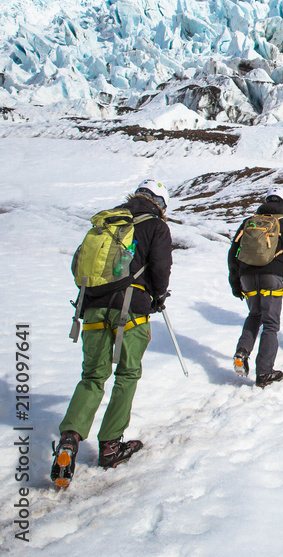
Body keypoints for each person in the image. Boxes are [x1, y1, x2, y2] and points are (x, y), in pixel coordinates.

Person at [51, 179, 173, 488]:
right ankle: (110, 446)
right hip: (131, 310)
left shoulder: (105, 221)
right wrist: (158, 296)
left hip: (92, 308)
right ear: (160, 202)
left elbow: (79, 265)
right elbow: (160, 267)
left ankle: (68, 441)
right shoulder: (156, 226)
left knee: (92, 376)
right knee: (127, 373)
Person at [229, 187, 283, 388]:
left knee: (254, 315)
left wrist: (235, 282)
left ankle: (242, 351)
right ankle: (264, 372)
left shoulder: (249, 222)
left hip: (247, 276)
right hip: (272, 275)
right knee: (271, 324)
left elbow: (233, 253)